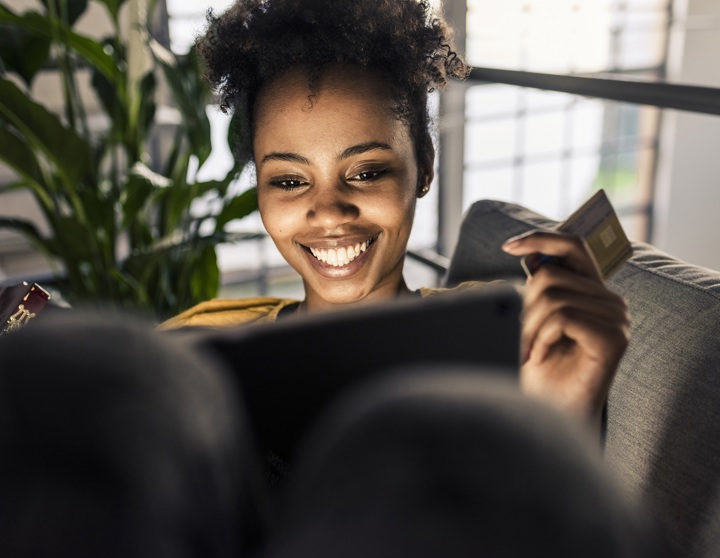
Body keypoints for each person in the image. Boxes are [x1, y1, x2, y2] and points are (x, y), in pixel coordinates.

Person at [158, 0, 629, 439]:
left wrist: (567, 419)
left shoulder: (509, 348)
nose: (329, 211)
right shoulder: (197, 345)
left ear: (423, 166)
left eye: (366, 172)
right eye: (288, 181)